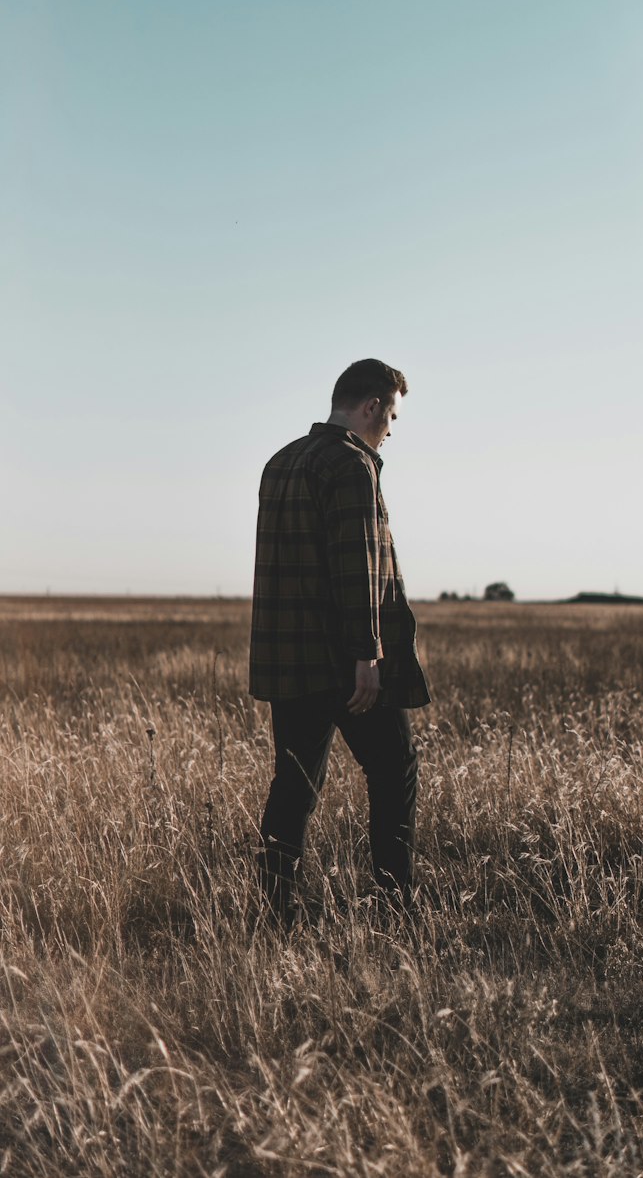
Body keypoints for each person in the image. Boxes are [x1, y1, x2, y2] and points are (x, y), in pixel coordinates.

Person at [249, 358, 430, 926]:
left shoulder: (280, 462)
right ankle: (397, 904)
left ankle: (274, 911)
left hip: (288, 659)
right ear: (371, 406)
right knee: (395, 766)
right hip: (342, 661)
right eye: (392, 415)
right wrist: (367, 655)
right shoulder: (352, 465)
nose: (392, 430)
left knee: (295, 780)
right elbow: (358, 568)